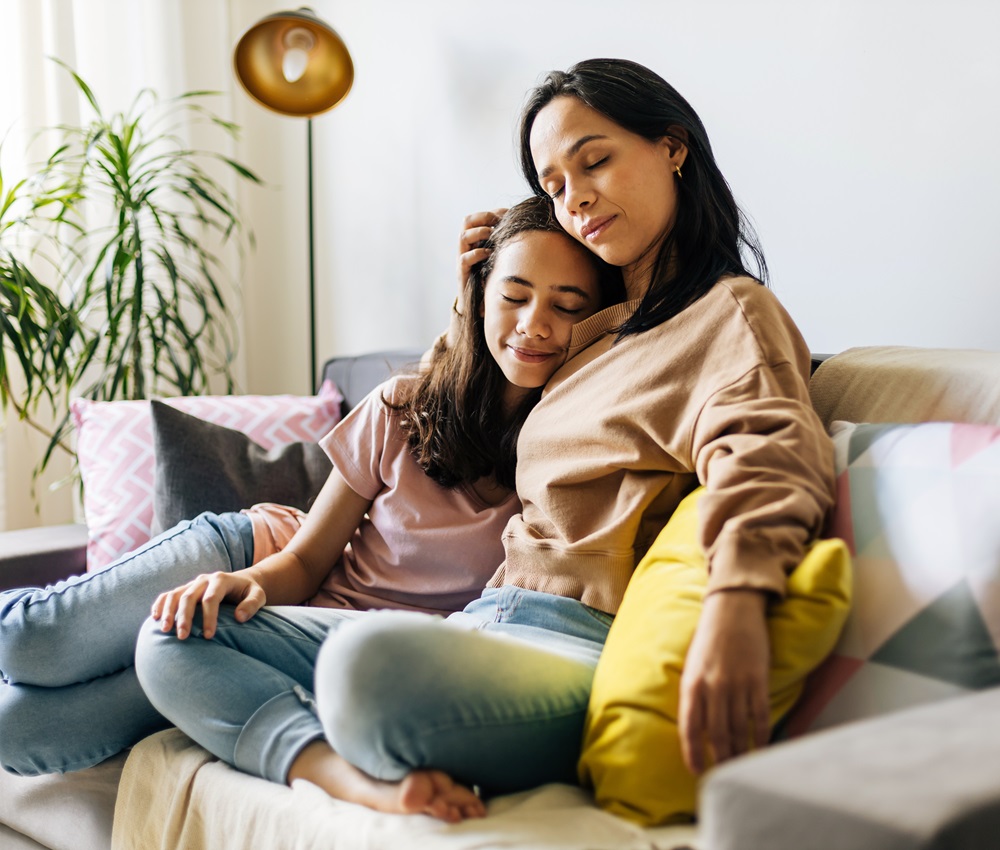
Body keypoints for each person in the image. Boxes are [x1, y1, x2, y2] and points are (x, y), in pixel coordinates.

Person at [288, 57, 836, 820]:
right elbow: (466, 400)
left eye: (595, 161)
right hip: (484, 619)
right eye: (552, 185)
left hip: (572, 643)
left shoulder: (727, 314)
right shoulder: (594, 334)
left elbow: (770, 453)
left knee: (360, 667)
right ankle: (329, 758)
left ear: (673, 148)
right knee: (180, 639)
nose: (573, 198)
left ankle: (323, 742)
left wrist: (738, 601)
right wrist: (471, 297)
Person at [0, 196, 618, 786]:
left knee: (19, 730)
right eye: (514, 295)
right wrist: (254, 584)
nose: (535, 325)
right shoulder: (403, 407)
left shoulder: (570, 461)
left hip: (312, 648)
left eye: (568, 306)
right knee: (31, 642)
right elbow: (306, 559)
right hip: (258, 557)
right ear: (480, 296)